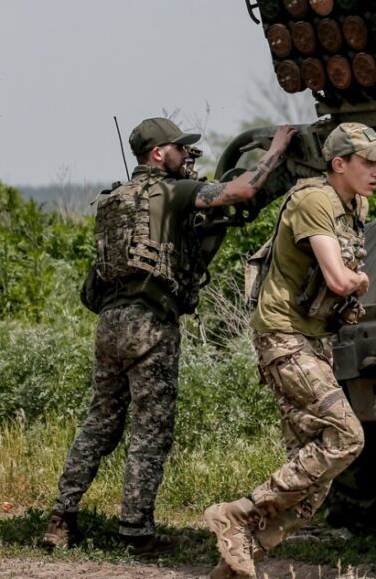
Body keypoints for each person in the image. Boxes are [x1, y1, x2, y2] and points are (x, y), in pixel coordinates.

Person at [41, 117, 296, 556]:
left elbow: (97, 281)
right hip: (150, 324)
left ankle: (61, 520)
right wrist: (275, 149)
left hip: (109, 324)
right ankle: (136, 533)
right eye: (180, 148)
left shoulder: (114, 200)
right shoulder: (171, 191)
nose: (186, 154)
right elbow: (243, 191)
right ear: (158, 154)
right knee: (150, 430)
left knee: (99, 424)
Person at [203, 122, 376, 578]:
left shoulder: (354, 204)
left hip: (312, 338)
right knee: (346, 437)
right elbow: (337, 277)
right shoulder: (313, 200)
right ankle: (237, 515)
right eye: (368, 162)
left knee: (312, 481)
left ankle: (235, 559)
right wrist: (360, 282)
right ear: (339, 164)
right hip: (284, 337)